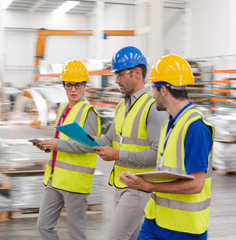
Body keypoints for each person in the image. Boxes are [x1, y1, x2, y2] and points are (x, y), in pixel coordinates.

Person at [119, 55, 214, 240]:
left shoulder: (196, 127)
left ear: (163, 90)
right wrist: (138, 179)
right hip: (156, 220)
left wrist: (148, 185)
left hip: (184, 229)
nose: (152, 95)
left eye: (153, 89)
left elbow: (196, 184)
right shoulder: (168, 125)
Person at [92, 46, 167, 240]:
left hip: (139, 187)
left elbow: (158, 154)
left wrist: (117, 155)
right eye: (116, 75)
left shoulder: (153, 107)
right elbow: (108, 140)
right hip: (120, 185)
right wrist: (80, 138)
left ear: (137, 73)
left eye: (120, 75)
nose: (116, 80)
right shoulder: (121, 107)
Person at [34, 60, 101, 240]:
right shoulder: (64, 108)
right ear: (63, 85)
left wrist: (57, 145)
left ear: (85, 85)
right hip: (55, 179)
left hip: (75, 183)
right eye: (69, 85)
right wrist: (48, 146)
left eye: (77, 85)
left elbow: (91, 146)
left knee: (76, 234)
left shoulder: (89, 112)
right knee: (44, 226)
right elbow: (60, 140)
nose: (73, 89)